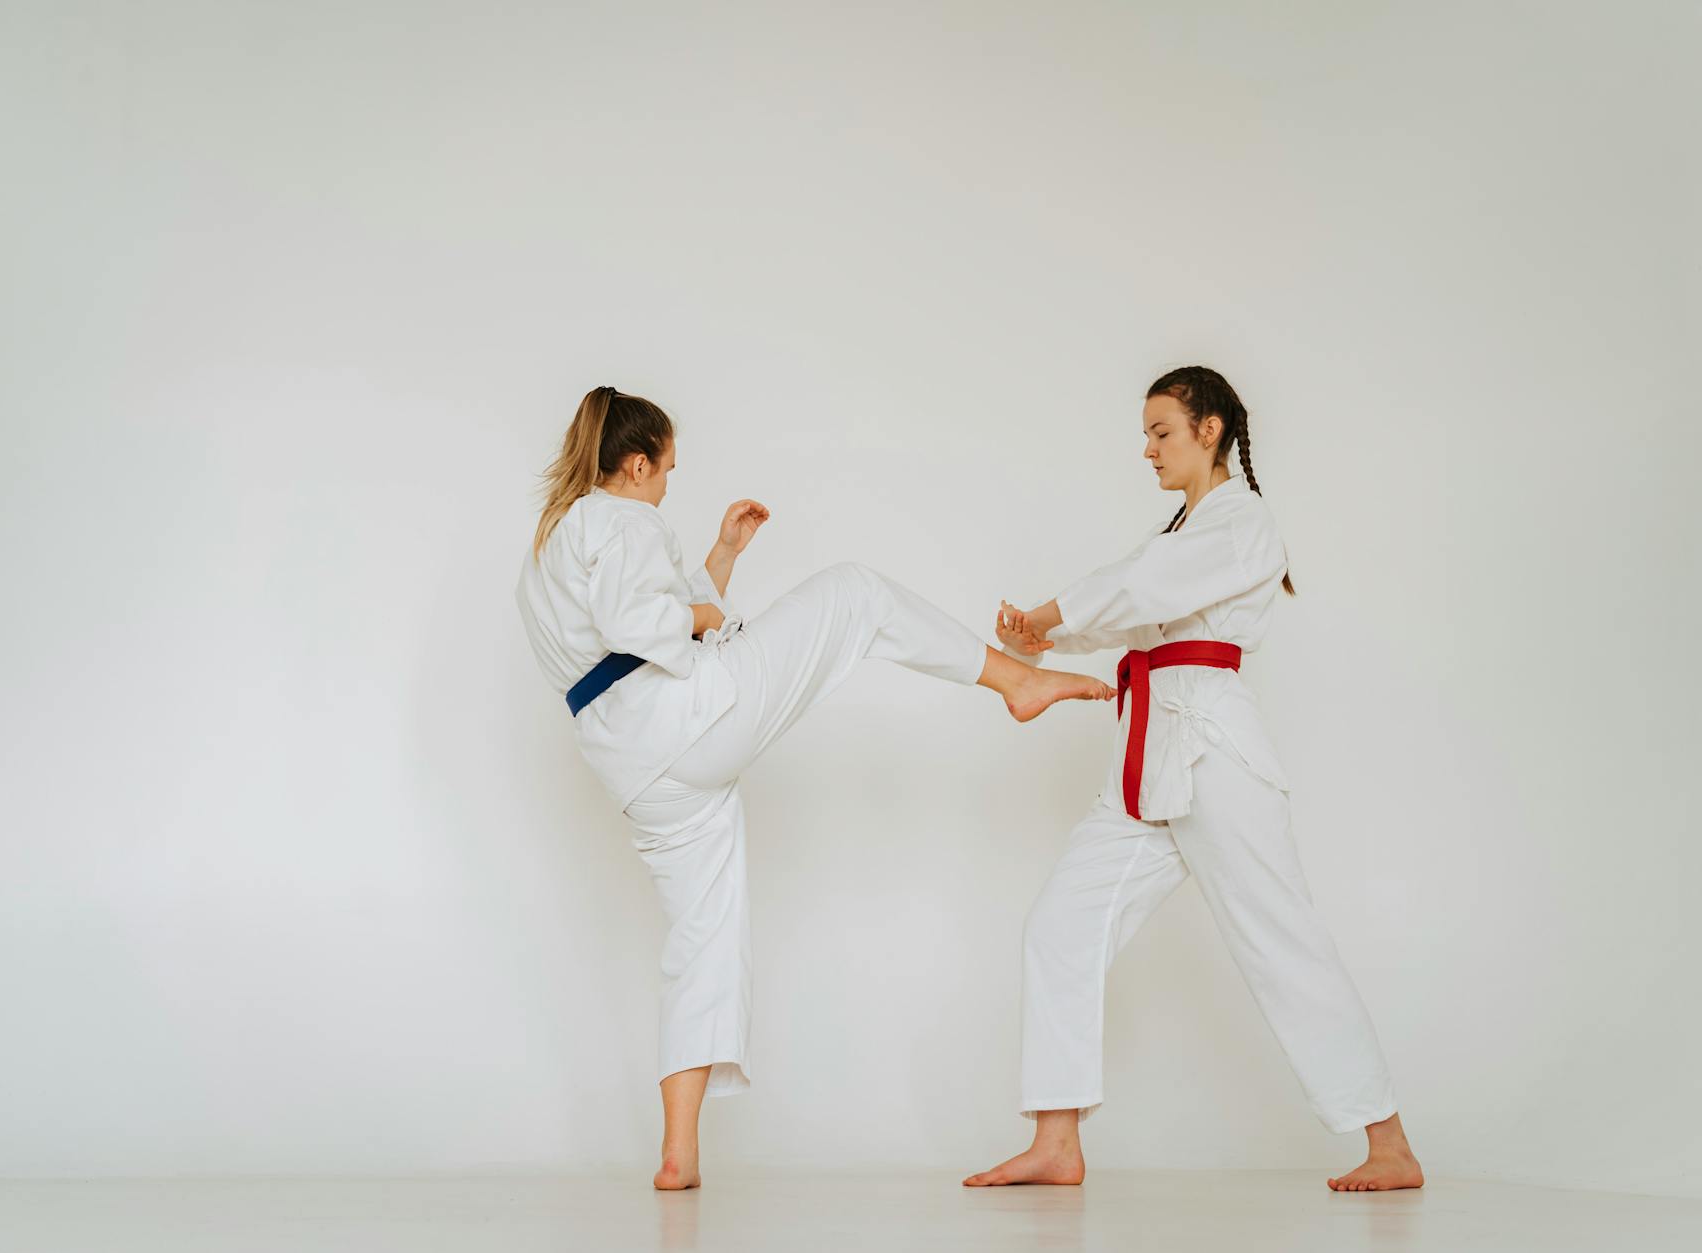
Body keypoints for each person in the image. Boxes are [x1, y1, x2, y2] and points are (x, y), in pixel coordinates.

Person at [516, 385, 1116, 1190]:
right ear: (634, 463)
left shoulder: (554, 542)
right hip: (683, 718)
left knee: (702, 937)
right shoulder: (617, 516)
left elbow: (632, 622)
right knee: (856, 592)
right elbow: (641, 626)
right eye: (665, 470)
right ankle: (1014, 680)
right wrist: (701, 612)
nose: (667, 485)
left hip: (638, 768)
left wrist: (723, 557)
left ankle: (679, 1152)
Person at [963, 366, 1423, 1193]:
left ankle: (1387, 1141)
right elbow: (1138, 610)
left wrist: (1047, 613)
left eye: (1161, 431)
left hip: (1214, 753)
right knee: (1061, 924)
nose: (1147, 449)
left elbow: (1140, 589)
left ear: (1210, 430)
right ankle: (1057, 1138)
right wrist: (1040, 642)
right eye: (1145, 434)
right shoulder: (1180, 530)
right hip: (1145, 757)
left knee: (1280, 938)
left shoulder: (1244, 523)